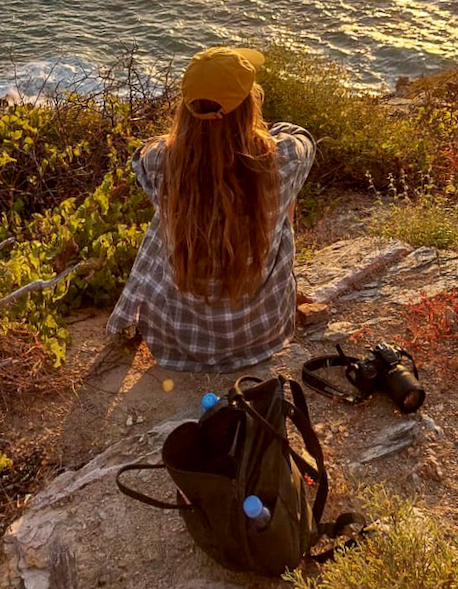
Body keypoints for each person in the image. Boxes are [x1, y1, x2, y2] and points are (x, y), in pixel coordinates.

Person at [106, 46, 315, 371]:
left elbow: (143, 154)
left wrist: (195, 145)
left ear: (185, 109)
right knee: (281, 196)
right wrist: (256, 135)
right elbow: (302, 137)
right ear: (250, 105)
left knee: (171, 211)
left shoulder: (160, 164)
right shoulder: (282, 160)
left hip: (179, 341)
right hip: (263, 334)